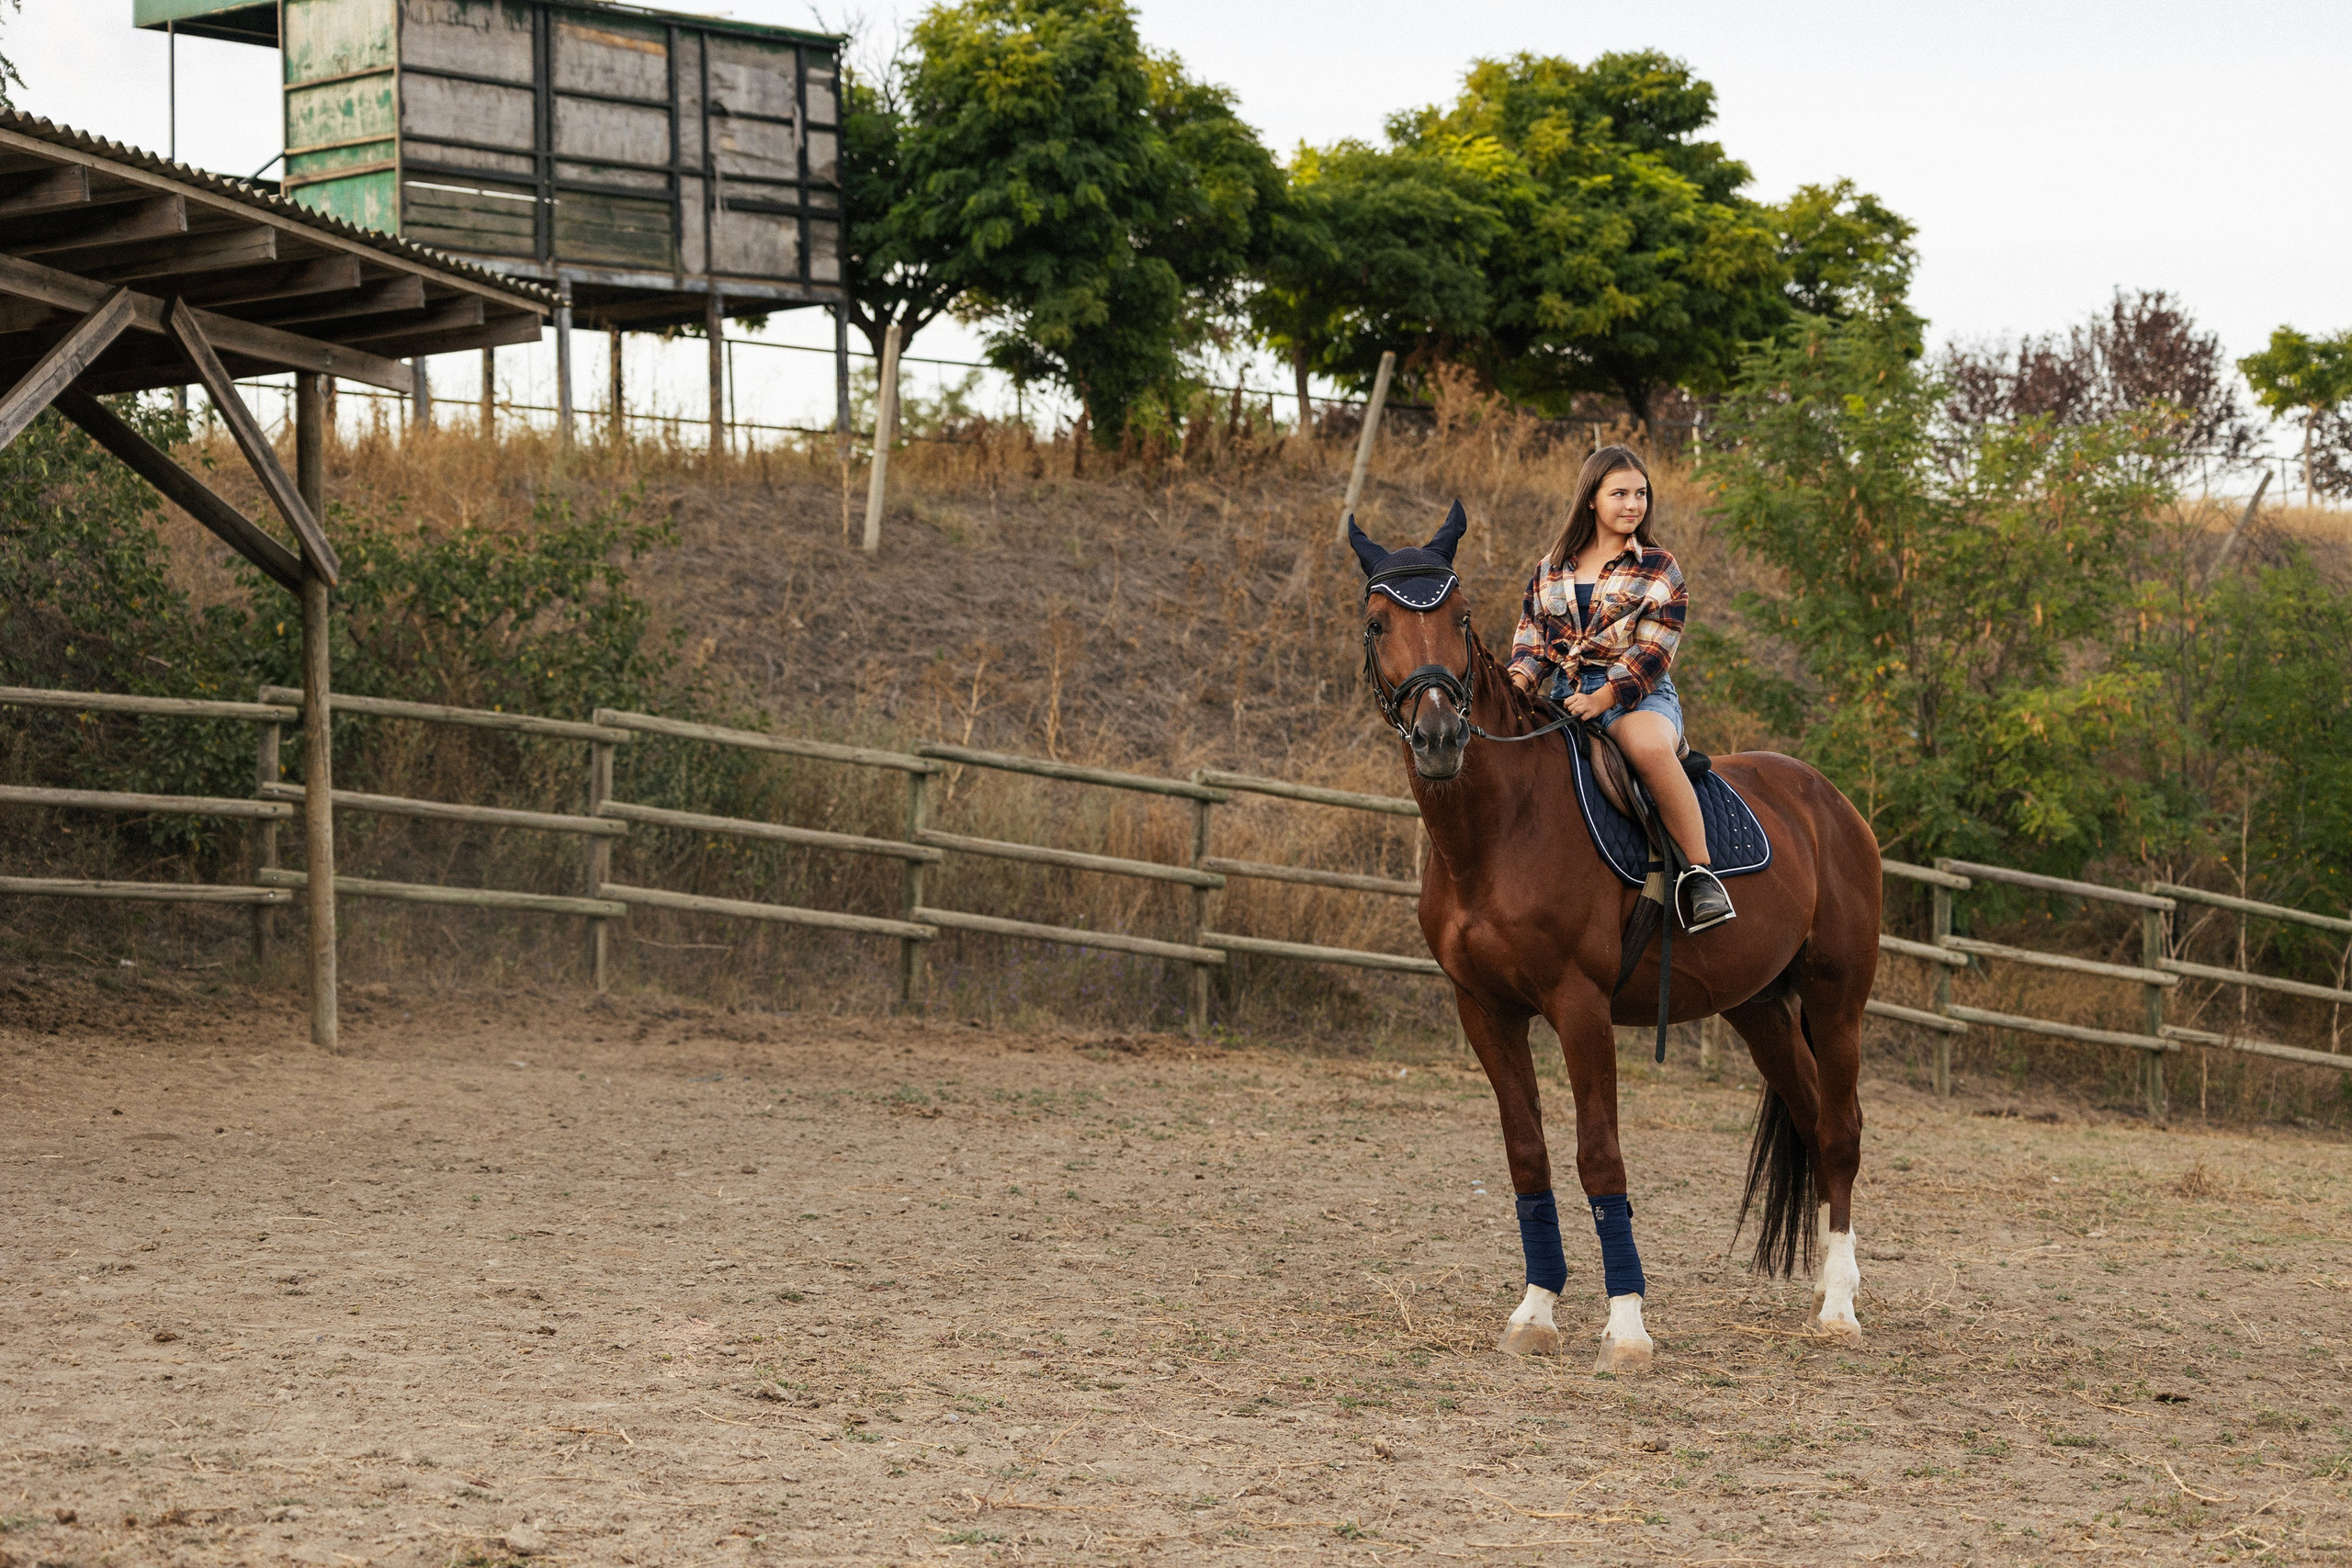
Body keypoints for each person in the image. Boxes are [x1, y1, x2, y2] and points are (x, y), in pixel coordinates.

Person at [1506, 445, 1735, 931]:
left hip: (1639, 694)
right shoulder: (1550, 568)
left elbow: (1655, 650)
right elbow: (1533, 639)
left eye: (1641, 494)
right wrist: (1519, 682)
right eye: (1620, 494)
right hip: (1566, 695)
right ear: (1591, 498)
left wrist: (1603, 698)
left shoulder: (1659, 567)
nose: (1633, 504)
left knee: (1646, 748)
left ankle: (1700, 875)